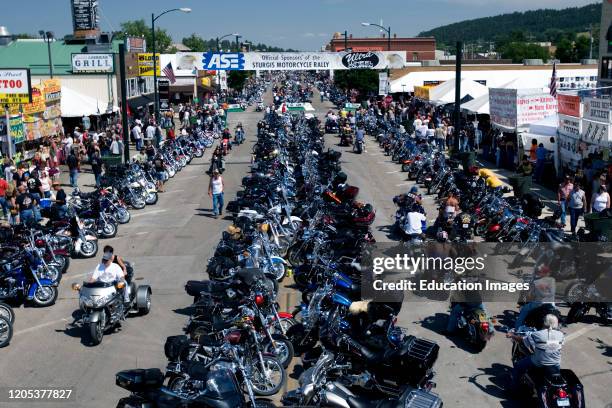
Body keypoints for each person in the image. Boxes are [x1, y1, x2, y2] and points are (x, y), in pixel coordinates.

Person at [508, 314, 564, 390]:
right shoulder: (561, 335)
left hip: (539, 362)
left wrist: (512, 335)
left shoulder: (538, 334)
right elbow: (553, 345)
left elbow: (522, 340)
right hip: (556, 363)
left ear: (544, 322)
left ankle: (513, 388)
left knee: (518, 366)